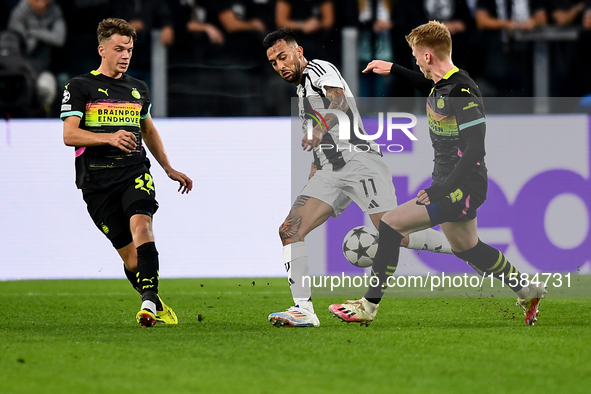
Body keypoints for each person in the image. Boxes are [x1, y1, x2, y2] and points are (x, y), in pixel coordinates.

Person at [329, 21, 547, 327]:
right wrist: (394, 69)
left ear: (429, 56)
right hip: (455, 183)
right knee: (467, 248)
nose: (416, 60)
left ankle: (368, 305)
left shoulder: (462, 90)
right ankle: (527, 289)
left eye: (417, 55)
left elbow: (474, 149)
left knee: (391, 226)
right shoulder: (445, 86)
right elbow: (431, 90)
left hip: (461, 186)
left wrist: (442, 189)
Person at [263, 28, 454, 328]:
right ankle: (303, 309)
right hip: (330, 170)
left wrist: (316, 131)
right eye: (273, 63)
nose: (280, 66)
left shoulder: (319, 69)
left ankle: (464, 246)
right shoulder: (302, 91)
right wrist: (314, 169)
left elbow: (337, 105)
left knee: (397, 234)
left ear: (298, 51)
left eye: (283, 57)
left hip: (359, 161)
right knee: (290, 229)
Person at [60, 18, 193, 327]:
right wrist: (108, 137)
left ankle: (147, 303)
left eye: (129, 50)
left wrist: (168, 168)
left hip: (134, 172)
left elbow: (148, 129)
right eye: (119, 49)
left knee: (143, 228)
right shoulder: (80, 86)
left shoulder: (137, 89)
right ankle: (155, 300)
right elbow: (69, 135)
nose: (125, 55)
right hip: (96, 183)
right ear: (102, 50)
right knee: (132, 259)